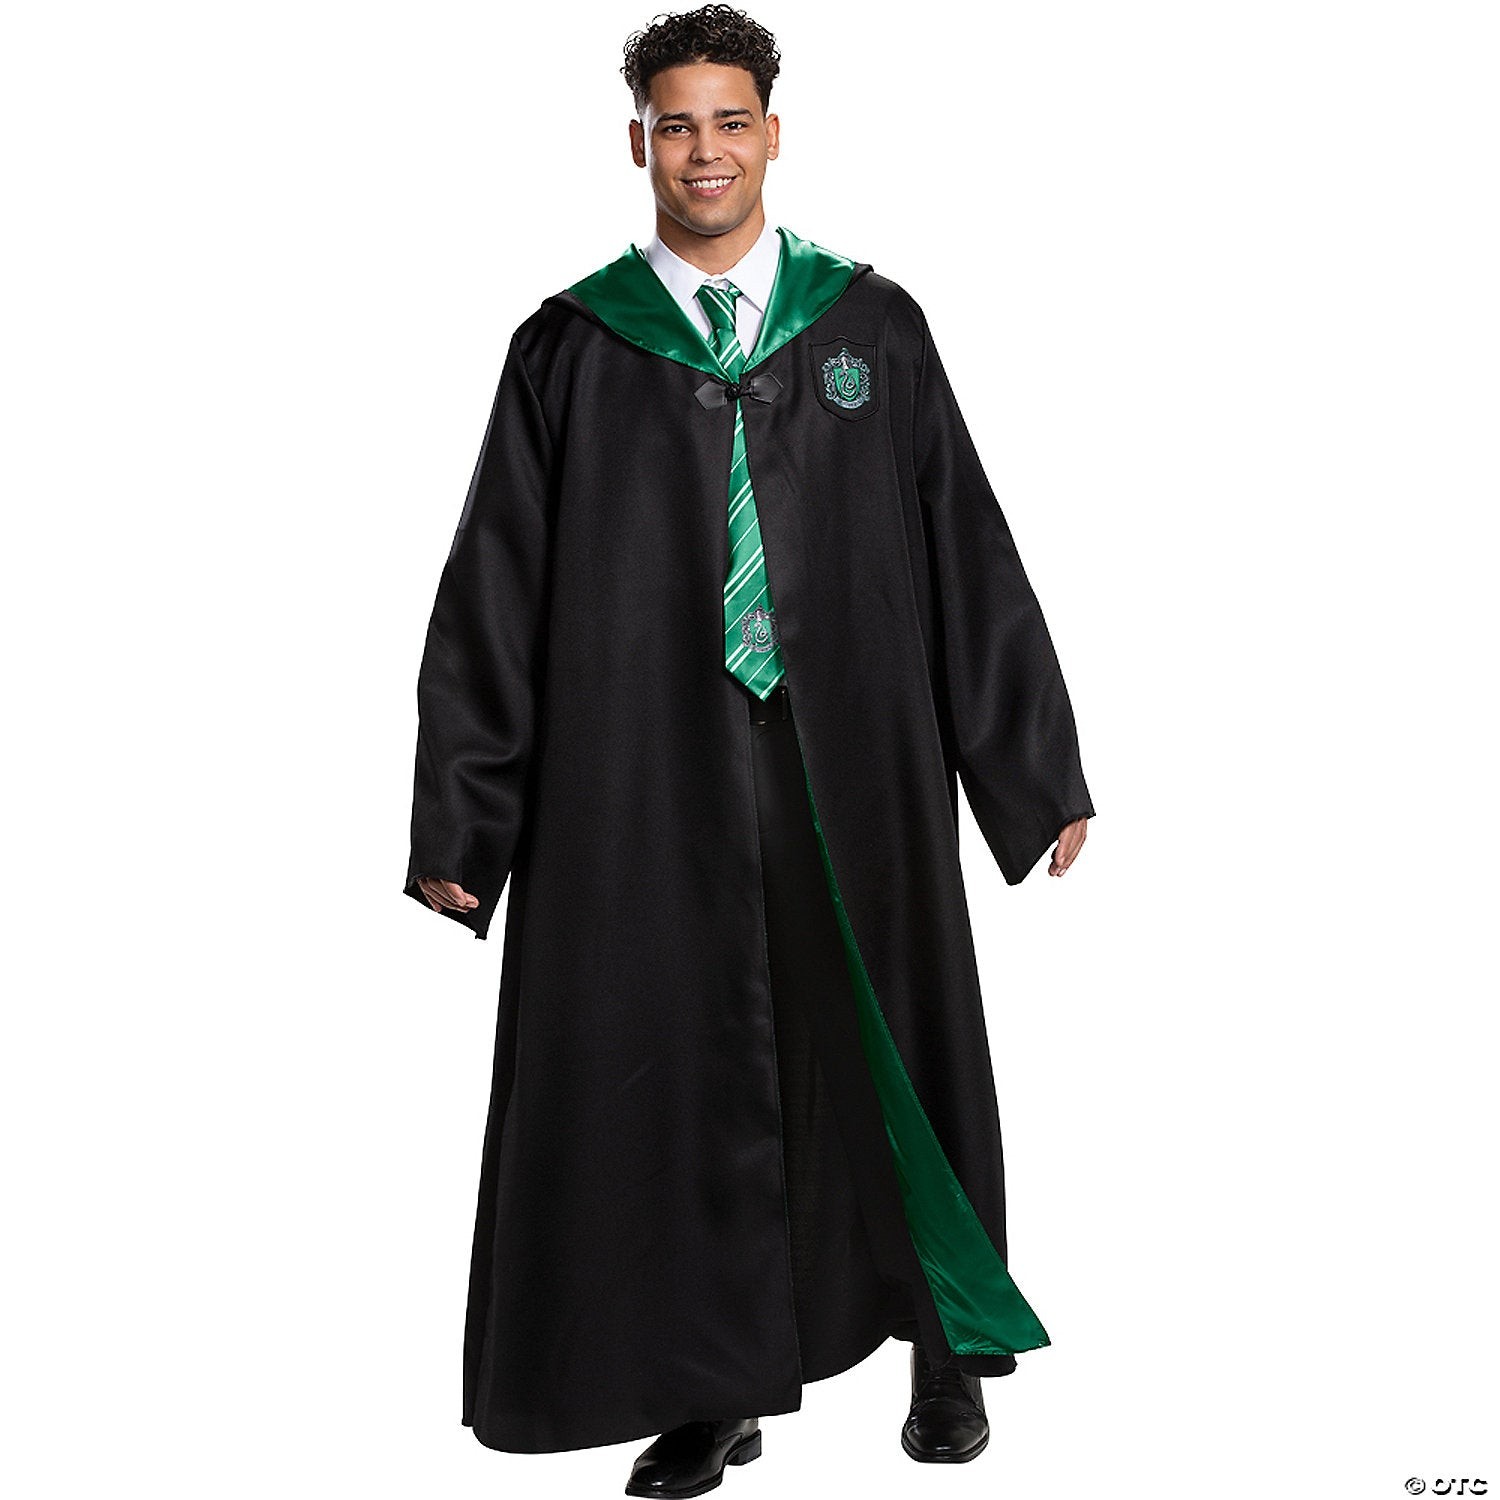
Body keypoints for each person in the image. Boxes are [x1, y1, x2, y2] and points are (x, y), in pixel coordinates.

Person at [401, 4, 1094, 1493]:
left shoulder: (870, 327)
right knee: (678, 1068)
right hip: (642, 775)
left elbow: (963, 547)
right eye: (676, 125)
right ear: (637, 142)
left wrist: (1029, 769)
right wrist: (464, 824)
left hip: (857, 760)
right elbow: (493, 593)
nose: (703, 151)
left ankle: (942, 1344)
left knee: (889, 1040)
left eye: (729, 121)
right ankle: (711, 1385)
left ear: (773, 134)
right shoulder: (570, 347)